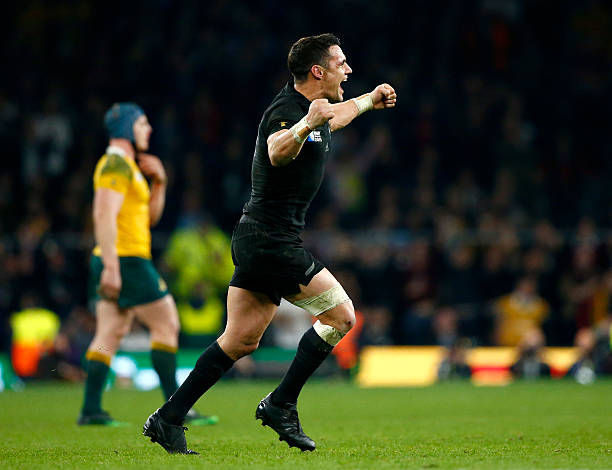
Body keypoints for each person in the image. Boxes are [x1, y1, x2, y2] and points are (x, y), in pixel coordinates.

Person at [143, 33, 396, 454]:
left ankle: (167, 418)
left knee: (240, 339)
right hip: (271, 241)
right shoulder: (287, 112)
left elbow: (337, 115)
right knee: (342, 317)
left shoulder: (316, 111)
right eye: (342, 63)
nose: (348, 70)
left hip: (257, 237)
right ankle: (281, 404)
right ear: (318, 71)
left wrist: (369, 99)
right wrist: (305, 126)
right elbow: (278, 150)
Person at [78, 103, 216, 426]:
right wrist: (113, 267)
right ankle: (177, 409)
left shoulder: (127, 167)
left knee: (109, 333)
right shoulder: (115, 164)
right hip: (126, 260)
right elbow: (102, 215)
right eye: (142, 123)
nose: (148, 130)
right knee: (167, 322)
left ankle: (90, 410)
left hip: (118, 258)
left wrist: (160, 183)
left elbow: (149, 218)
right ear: (127, 127)